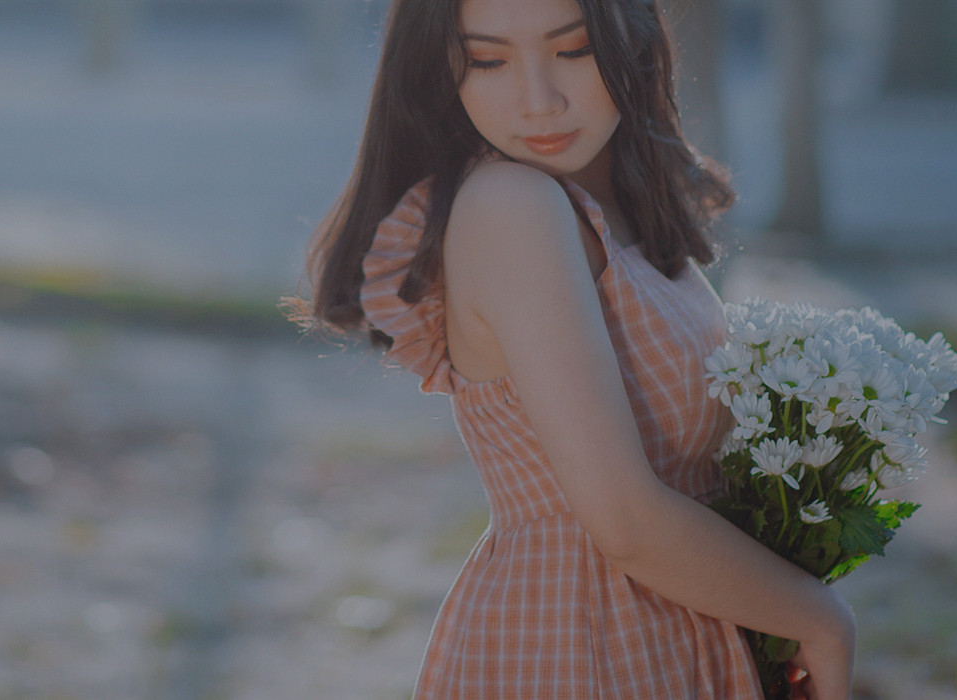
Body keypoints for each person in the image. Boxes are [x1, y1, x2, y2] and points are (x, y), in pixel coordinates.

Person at [286, 0, 856, 697]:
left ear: (632, 36)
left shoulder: (606, 204)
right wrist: (820, 618)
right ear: (444, 73)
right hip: (583, 641)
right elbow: (623, 520)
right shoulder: (511, 207)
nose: (539, 100)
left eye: (574, 49)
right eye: (488, 60)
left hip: (675, 631)